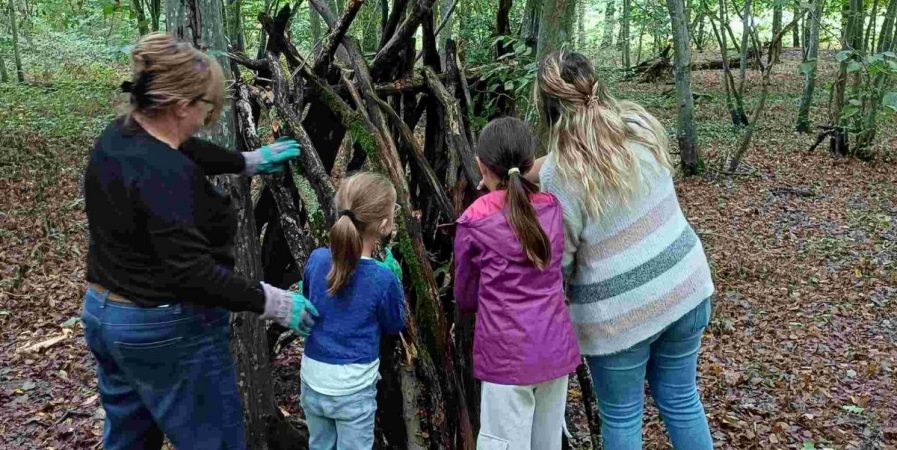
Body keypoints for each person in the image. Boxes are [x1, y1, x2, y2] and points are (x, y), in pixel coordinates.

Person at [81, 33, 318, 449]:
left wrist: (246, 161)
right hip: (165, 328)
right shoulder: (166, 173)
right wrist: (274, 302)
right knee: (214, 441)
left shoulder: (120, 136)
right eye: (207, 106)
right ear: (181, 106)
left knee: (129, 439)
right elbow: (193, 274)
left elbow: (187, 150)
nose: (210, 115)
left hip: (106, 315)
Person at [532, 50, 715, 450]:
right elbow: (595, 144)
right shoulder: (638, 124)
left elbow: (561, 258)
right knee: (681, 399)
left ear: (548, 106)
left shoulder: (560, 174)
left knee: (622, 415)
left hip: (620, 316)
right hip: (686, 284)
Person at [453, 117, 581, 450]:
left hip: (506, 356)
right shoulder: (551, 207)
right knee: (547, 443)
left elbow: (465, 295)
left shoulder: (475, 218)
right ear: (529, 162)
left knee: (503, 443)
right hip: (554, 349)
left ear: (481, 164)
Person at [299, 172, 406, 450]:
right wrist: (395, 283)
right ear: (384, 225)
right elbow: (394, 324)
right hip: (353, 390)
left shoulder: (317, 259)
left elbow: (307, 299)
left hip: (313, 379)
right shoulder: (383, 278)